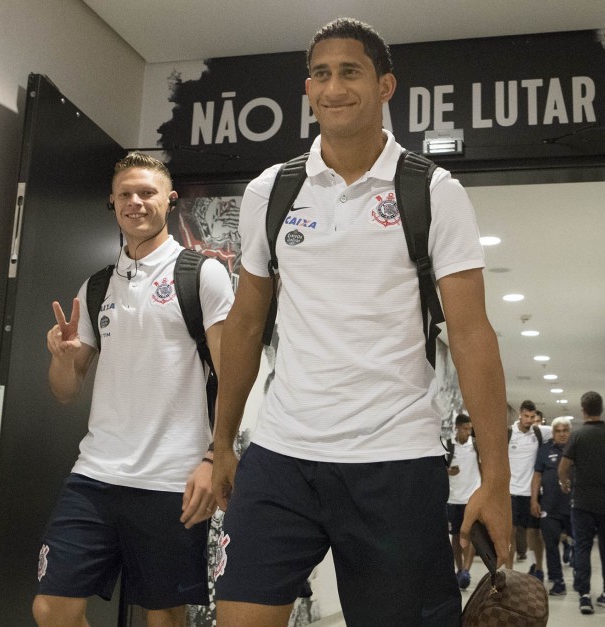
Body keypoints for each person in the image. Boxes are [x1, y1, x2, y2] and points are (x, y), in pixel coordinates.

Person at [210, 17, 511, 626]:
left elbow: (472, 334)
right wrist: (220, 444)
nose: (333, 86)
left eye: (350, 71)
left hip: (395, 458)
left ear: (385, 86)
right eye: (320, 73)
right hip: (282, 454)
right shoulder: (270, 191)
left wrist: (496, 479)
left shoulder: (433, 190)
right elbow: (244, 325)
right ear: (308, 89)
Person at [34, 152, 234, 627]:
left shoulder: (200, 274)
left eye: (147, 192)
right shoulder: (97, 286)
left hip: (171, 479)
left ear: (170, 198)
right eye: (125, 193)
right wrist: (61, 359)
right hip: (95, 474)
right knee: (52, 606)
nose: (136, 202)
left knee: (163, 614)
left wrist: (213, 458)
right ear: (112, 202)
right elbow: (66, 391)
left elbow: (233, 376)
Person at [558, 391, 605, 615]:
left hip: (582, 503)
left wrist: (565, 484)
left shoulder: (577, 436)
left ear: (583, 409)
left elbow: (563, 467)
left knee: (582, 547)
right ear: (601, 408)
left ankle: (584, 595)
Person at [507, 400, 551, 580]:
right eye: (526, 416)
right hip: (512, 492)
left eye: (533, 417)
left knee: (535, 533)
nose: (529, 420)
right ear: (520, 414)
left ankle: (539, 569)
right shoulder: (508, 433)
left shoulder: (540, 432)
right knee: (510, 533)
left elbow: (563, 431)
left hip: (533, 493)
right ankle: (508, 572)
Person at [530, 416, 573, 595]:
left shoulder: (576, 448)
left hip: (574, 506)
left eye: (565, 431)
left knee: (579, 546)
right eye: (558, 431)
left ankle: (581, 582)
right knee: (551, 545)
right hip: (549, 506)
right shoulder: (544, 450)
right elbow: (537, 476)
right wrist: (533, 500)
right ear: (553, 433)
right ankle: (558, 581)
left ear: (569, 433)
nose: (561, 434)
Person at [445, 414, 482, 590]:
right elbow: (441, 470)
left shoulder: (475, 446)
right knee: (456, 537)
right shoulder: (449, 446)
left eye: (470, 428)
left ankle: (466, 570)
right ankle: (459, 569)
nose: (468, 432)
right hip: (453, 498)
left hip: (472, 498)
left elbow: (483, 469)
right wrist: (448, 472)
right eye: (465, 428)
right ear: (457, 428)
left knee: (470, 534)